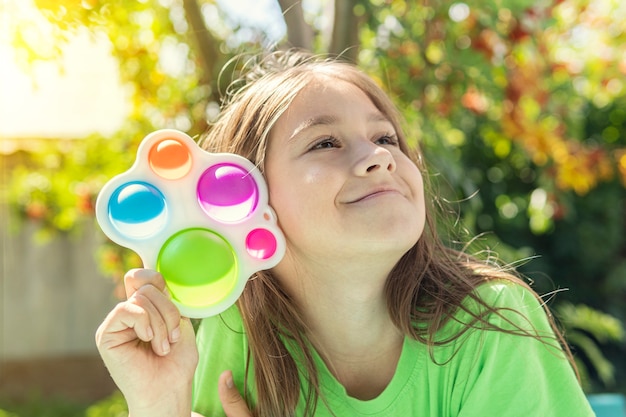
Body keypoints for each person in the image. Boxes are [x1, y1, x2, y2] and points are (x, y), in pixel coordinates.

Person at [96, 50, 595, 417]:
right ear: (244, 202)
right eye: (326, 142)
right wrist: (158, 404)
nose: (380, 155)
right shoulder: (239, 331)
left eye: (385, 137)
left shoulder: (488, 325)